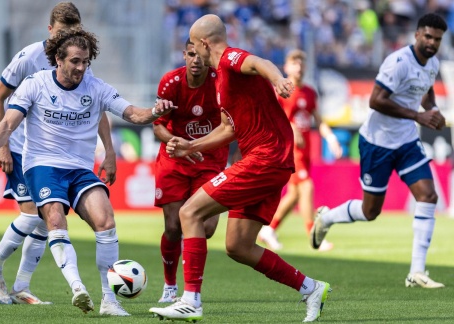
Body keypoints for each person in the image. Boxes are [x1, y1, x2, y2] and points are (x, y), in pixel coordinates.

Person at [0, 28, 177, 315]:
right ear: (58, 59)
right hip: (42, 165)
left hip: (80, 168)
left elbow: (133, 114)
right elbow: (8, 123)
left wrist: (156, 111)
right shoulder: (36, 83)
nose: (81, 68)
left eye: (86, 62)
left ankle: (109, 301)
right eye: (75, 61)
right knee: (54, 218)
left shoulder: (95, 87)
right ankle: (78, 287)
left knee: (105, 220)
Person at [149, 14, 331, 323]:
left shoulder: (231, 59)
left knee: (189, 213)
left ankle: (190, 300)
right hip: (267, 159)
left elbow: (259, 63)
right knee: (238, 245)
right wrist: (190, 146)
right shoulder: (220, 78)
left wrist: (278, 80)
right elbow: (227, 129)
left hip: (266, 157)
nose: (193, 54)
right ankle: (311, 288)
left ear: (205, 43)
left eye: (194, 46)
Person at [0, 2, 117, 306]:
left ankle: (22, 285)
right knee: (32, 215)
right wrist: (3, 145)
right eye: (64, 32)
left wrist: (109, 151)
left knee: (45, 221)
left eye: (76, 32)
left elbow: (95, 106)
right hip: (22, 147)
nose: (70, 38)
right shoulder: (29, 57)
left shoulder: (80, 60)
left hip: (61, 154)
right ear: (50, 30)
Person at [310, 13, 447, 289]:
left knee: (428, 195)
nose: (432, 43)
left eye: (438, 39)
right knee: (371, 211)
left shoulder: (432, 63)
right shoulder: (397, 62)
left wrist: (431, 109)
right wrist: (417, 117)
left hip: (406, 142)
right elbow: (375, 100)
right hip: (377, 142)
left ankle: (416, 271)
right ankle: (327, 218)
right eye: (428, 36)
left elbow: (427, 91)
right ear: (417, 35)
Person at [153, 39, 228, 303]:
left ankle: (188, 282)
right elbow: (158, 125)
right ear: (184, 55)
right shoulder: (170, 83)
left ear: (208, 56)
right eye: (191, 54)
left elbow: (231, 124)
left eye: (200, 55)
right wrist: (174, 142)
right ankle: (171, 286)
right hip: (174, 160)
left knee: (206, 227)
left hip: (210, 161)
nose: (196, 60)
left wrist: (195, 145)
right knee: (173, 227)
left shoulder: (221, 82)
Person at [258, 49, 342, 251]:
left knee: (295, 193)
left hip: (305, 150)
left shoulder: (310, 92)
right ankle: (314, 235)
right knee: (306, 186)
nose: (299, 66)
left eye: (301, 63)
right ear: (286, 67)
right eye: (294, 63)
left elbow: (318, 120)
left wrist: (331, 139)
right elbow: (270, 116)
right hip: (289, 148)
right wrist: (290, 128)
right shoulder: (282, 90)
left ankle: (269, 229)